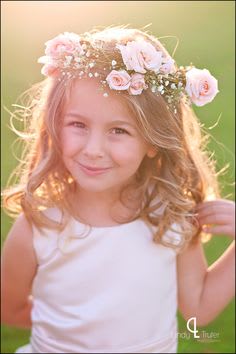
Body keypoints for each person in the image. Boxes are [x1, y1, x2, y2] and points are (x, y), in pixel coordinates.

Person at [1, 25, 235, 354]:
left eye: (119, 130)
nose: (93, 149)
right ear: (55, 124)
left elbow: (199, 309)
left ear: (153, 140)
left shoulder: (168, 218)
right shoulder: (39, 226)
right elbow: (9, 308)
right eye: (78, 125)